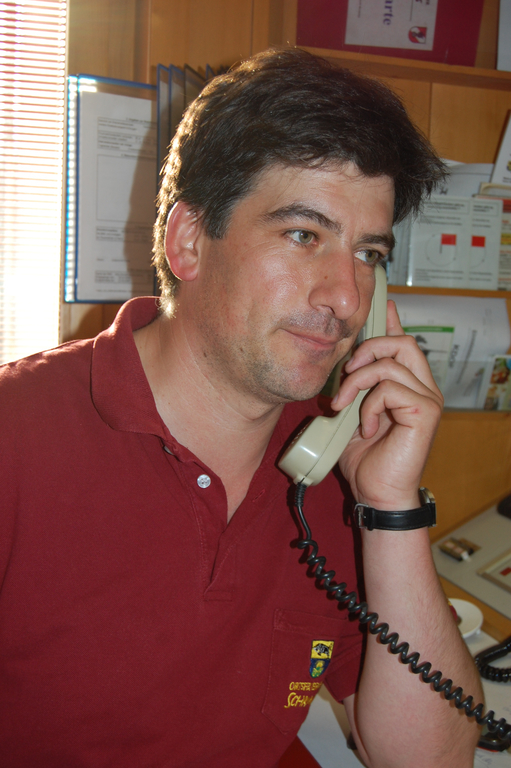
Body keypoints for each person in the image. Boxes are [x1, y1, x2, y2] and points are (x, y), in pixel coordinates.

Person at [0, 48, 483, 767]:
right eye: (303, 235)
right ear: (189, 242)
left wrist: (390, 507)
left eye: (368, 254)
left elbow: (430, 760)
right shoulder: (16, 438)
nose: (345, 298)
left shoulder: (335, 468)